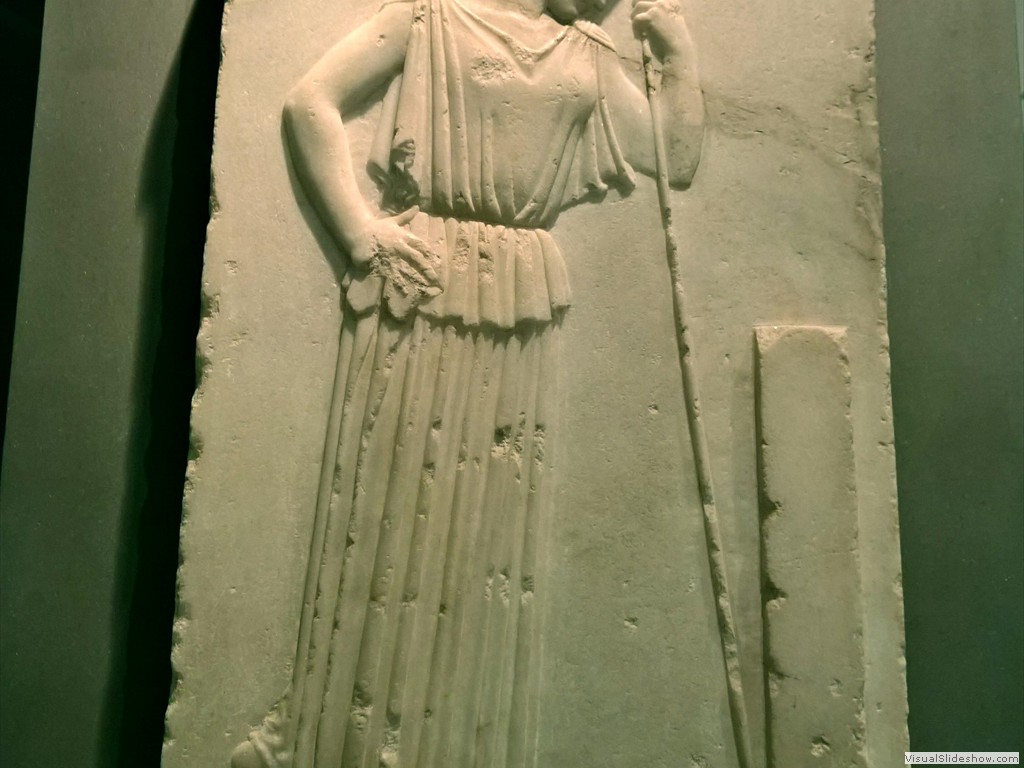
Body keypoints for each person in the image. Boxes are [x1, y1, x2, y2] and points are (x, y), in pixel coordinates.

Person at [231, 0, 703, 765]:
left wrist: (677, 57)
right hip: (424, 278)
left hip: (516, 292)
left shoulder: (584, 54)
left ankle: (449, 743)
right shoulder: (431, 17)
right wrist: (359, 231)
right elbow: (310, 100)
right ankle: (324, 735)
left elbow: (672, 160)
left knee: (486, 544)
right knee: (390, 515)